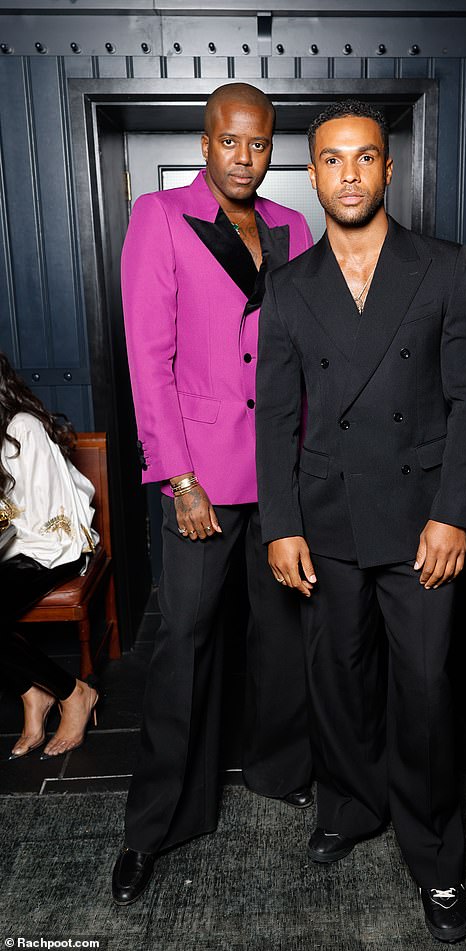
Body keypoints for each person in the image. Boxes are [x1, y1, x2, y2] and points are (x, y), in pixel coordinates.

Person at [255, 100, 466, 944]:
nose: (349, 173)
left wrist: (453, 513)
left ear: (389, 170)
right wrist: (280, 522)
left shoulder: (446, 267)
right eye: (331, 159)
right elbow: (276, 416)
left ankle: (435, 858)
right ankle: (352, 805)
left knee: (425, 692)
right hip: (326, 522)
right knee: (339, 680)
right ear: (312, 173)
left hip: (423, 522)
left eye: (364, 157)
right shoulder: (286, 286)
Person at [112, 82, 314, 905]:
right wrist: (180, 477)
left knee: (281, 639)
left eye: (259, 143)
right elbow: (148, 361)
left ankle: (278, 771)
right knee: (186, 648)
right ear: (205, 143)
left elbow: (302, 351)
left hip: (281, 472)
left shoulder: (293, 228)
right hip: (200, 475)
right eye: (229, 141)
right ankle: (156, 823)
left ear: (272, 148)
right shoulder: (158, 219)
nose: (243, 156)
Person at [0, 352, 99, 760]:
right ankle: (31, 694)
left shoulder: (23, 426)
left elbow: (49, 519)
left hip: (53, 548)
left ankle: (72, 692)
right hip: (15, 546)